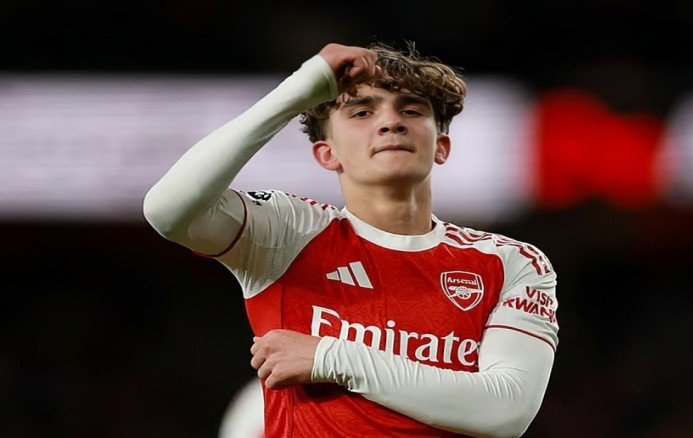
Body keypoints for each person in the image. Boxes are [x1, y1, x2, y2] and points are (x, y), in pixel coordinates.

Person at [144, 42, 559, 437]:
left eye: (411, 110)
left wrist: (330, 357)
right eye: (362, 113)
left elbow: (505, 411)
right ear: (327, 154)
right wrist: (297, 91)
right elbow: (168, 210)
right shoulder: (290, 232)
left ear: (442, 147)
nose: (391, 122)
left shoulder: (510, 261)